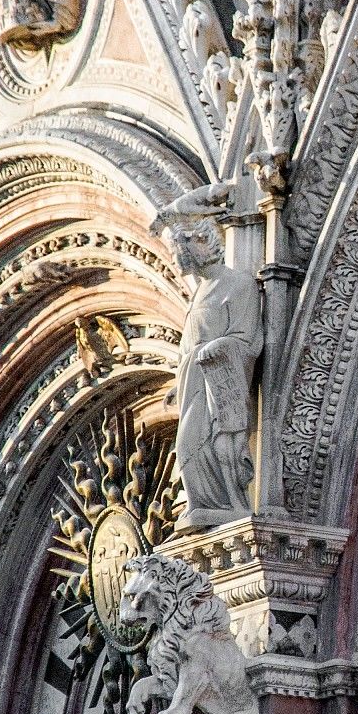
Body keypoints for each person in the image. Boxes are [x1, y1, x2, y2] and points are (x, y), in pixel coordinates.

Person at [155, 191, 263, 525]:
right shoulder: (200, 291)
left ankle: (227, 501)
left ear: (203, 242)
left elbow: (249, 339)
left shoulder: (238, 284)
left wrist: (219, 349)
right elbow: (190, 342)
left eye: (182, 250)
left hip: (217, 381)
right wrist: (179, 379)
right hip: (193, 381)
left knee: (207, 445)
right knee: (186, 447)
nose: (179, 259)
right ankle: (207, 503)